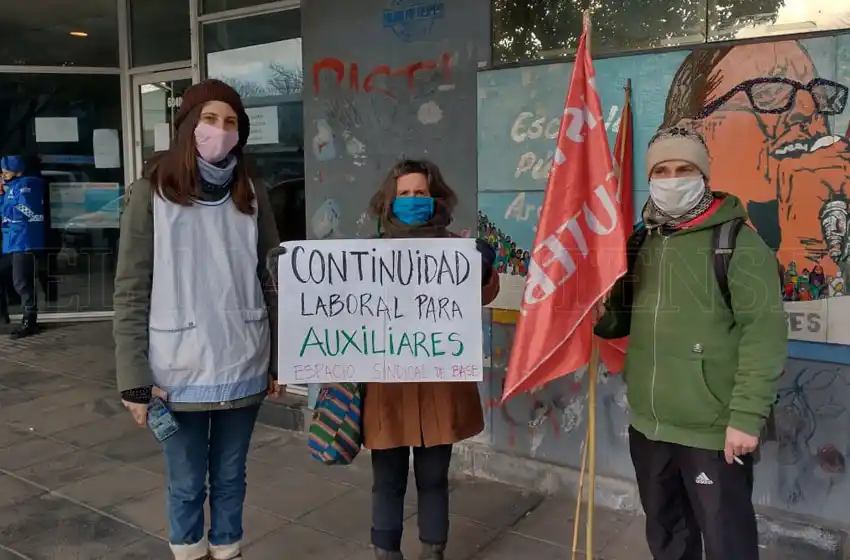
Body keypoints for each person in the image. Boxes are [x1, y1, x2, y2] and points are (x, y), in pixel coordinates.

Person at [594, 124, 787, 560]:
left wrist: (746, 417)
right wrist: (598, 317)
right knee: (668, 538)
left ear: (703, 175)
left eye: (684, 169)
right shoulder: (641, 240)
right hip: (649, 425)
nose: (672, 179)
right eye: (661, 171)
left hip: (713, 430)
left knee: (726, 542)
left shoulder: (738, 244)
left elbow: (765, 335)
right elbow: (622, 316)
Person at [113, 79, 281, 560]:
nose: (220, 131)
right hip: (176, 372)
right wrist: (134, 379)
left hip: (243, 359)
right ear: (188, 126)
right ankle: (189, 552)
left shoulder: (252, 193)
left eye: (230, 122)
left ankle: (228, 552)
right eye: (210, 119)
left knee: (230, 477)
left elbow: (272, 280)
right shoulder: (150, 194)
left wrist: (280, 359)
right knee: (187, 483)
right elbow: (131, 290)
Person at [363, 159, 500, 560]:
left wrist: (482, 270)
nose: (412, 200)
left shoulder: (456, 249)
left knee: (434, 478)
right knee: (386, 479)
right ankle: (385, 551)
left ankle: (433, 550)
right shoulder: (367, 253)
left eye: (420, 193)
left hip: (440, 386)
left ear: (434, 196)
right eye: (404, 193)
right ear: (389, 200)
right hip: (387, 389)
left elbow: (484, 295)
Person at [0, 155, 46, 338]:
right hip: (12, 242)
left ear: (17, 171)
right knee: (15, 280)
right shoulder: (11, 187)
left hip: (25, 241)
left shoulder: (28, 185)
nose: (3, 174)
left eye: (6, 171)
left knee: (22, 283)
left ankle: (30, 322)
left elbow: (26, 211)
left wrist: (7, 202)